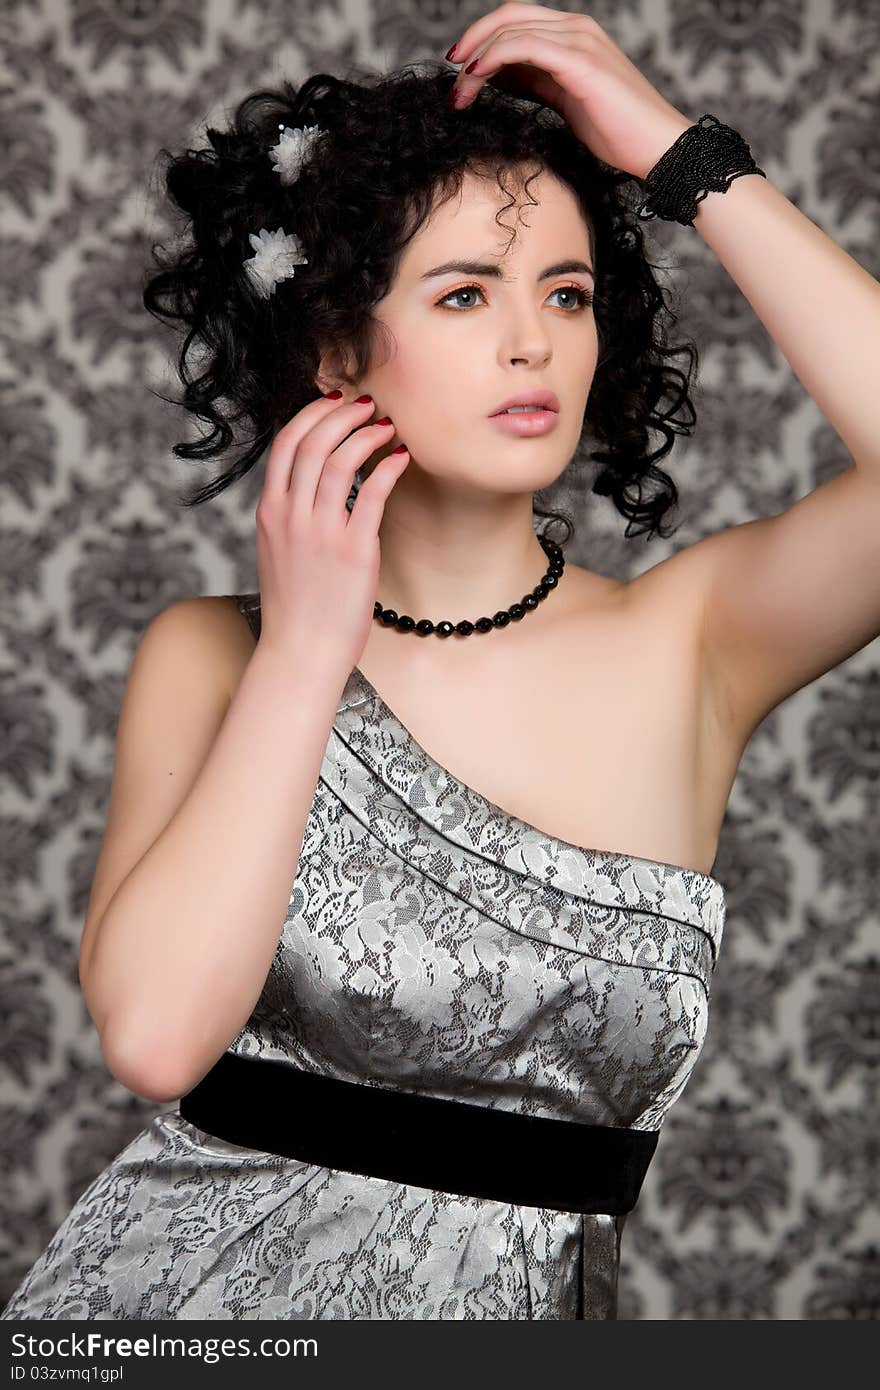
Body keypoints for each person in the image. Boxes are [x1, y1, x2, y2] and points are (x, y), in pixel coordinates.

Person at [0, 46, 824, 1320]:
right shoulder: (213, 656)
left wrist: (676, 150)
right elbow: (157, 1038)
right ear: (338, 350)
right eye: (461, 295)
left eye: (565, 293)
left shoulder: (693, 642)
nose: (529, 343)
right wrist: (305, 655)